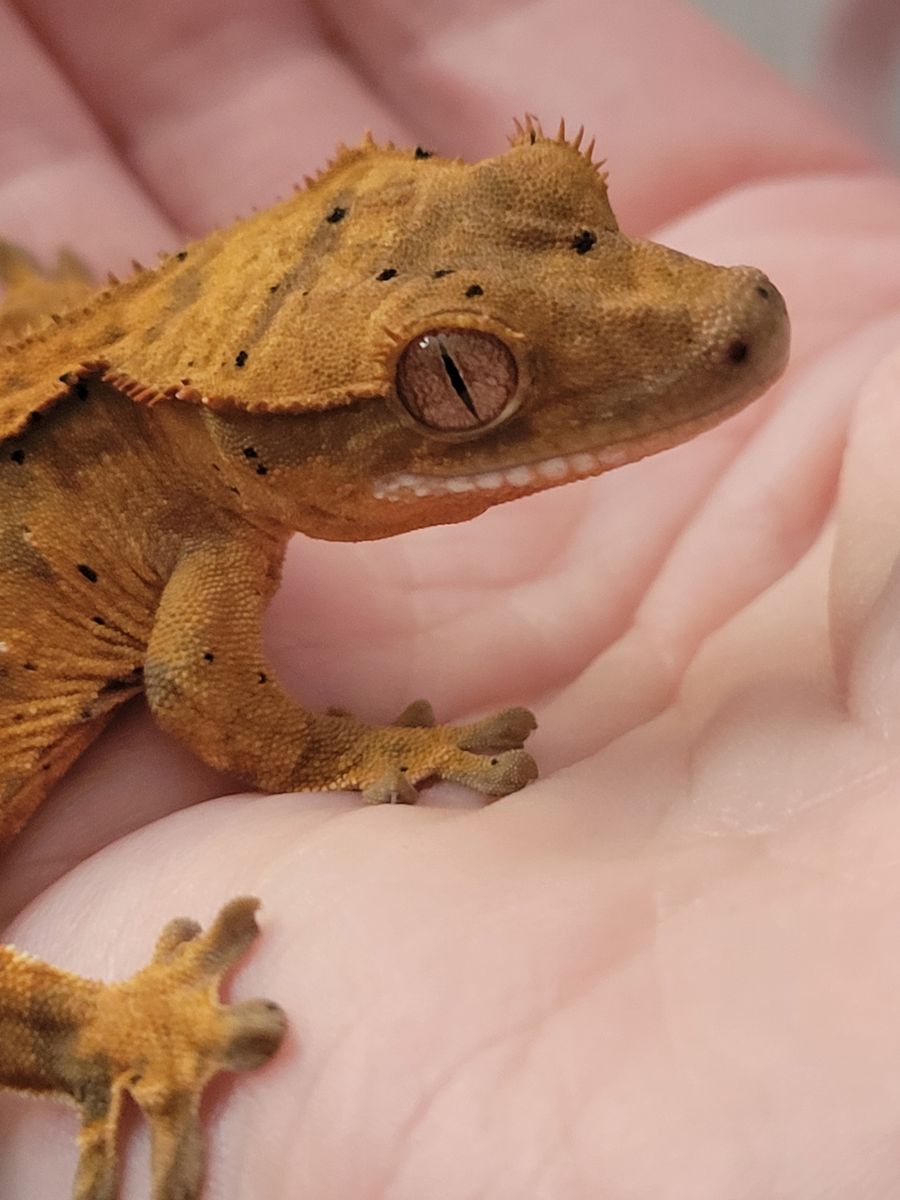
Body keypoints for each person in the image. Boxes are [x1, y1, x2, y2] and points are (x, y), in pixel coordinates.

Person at [1, 0, 899, 1194]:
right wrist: (339, 751)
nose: (718, 315)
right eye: (464, 378)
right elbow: (197, 691)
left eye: (562, 197)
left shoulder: (185, 433)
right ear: (261, 435)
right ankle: (91, 1039)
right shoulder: (198, 517)